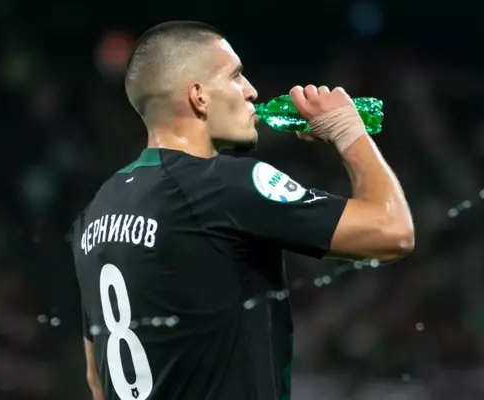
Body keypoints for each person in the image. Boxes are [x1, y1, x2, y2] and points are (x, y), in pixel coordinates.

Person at [71, 21, 414, 400]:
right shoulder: (224, 183)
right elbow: (393, 231)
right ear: (199, 96)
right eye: (235, 76)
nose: (251, 90)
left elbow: (96, 379)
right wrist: (348, 131)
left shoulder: (95, 213)